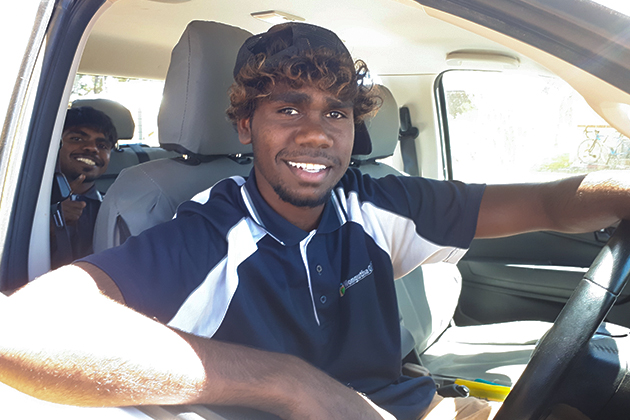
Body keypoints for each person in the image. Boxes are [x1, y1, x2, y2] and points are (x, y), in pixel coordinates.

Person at [1, 22, 628, 420]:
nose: (315, 133)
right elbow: (24, 331)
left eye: (336, 113)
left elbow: (550, 202)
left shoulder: (374, 201)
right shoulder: (211, 233)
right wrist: (291, 385)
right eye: (288, 107)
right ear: (246, 124)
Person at [50, 106, 117, 269]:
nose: (92, 148)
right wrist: (50, 223)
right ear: (54, 145)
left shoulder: (115, 209)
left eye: (102, 146)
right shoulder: (20, 202)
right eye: (77, 139)